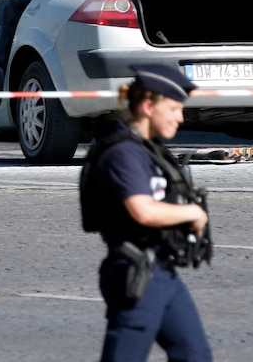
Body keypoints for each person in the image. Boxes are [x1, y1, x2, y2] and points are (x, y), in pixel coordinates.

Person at [80, 64, 213, 362]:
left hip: (162, 272)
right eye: (175, 108)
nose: (181, 117)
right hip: (136, 272)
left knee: (195, 355)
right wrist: (191, 213)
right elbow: (143, 211)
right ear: (149, 106)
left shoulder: (148, 150)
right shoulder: (123, 153)